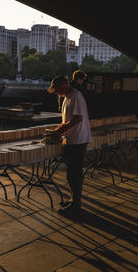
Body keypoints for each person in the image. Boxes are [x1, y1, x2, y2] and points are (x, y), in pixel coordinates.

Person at [47, 75, 91, 216]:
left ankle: (76, 206)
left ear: (65, 84)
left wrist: (61, 130)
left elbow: (78, 118)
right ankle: (74, 200)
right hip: (72, 139)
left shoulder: (76, 96)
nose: (57, 92)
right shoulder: (66, 97)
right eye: (55, 90)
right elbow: (70, 119)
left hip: (78, 140)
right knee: (72, 173)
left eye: (58, 89)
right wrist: (61, 127)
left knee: (74, 174)